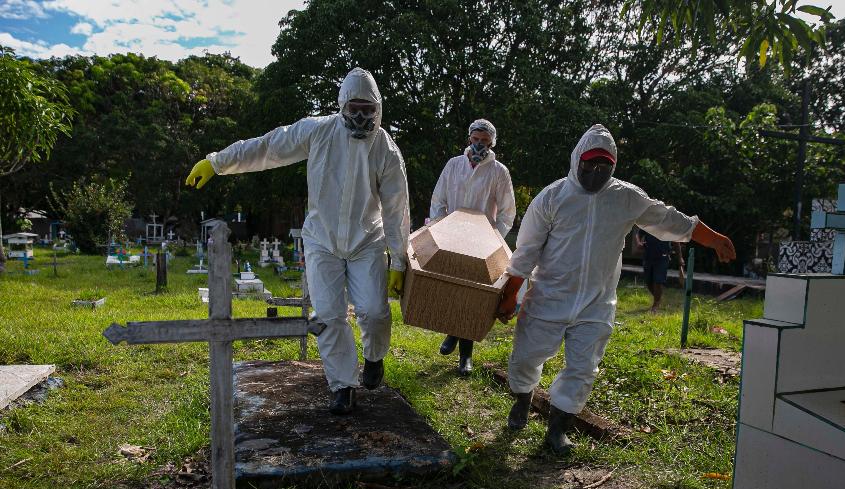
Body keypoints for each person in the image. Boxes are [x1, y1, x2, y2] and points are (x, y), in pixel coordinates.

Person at [496, 124, 735, 454]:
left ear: (614, 166)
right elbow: (526, 251)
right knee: (525, 358)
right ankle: (522, 400)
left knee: (582, 369)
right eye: (589, 163)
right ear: (576, 159)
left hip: (596, 303)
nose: (595, 171)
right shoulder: (552, 197)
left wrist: (714, 239)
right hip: (548, 296)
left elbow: (671, 221)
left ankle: (557, 429)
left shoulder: (626, 197)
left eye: (603, 166)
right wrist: (511, 293)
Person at [185, 68, 410, 416]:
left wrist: (398, 260)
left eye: (369, 110)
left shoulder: (386, 150)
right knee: (329, 315)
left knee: (375, 312)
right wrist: (218, 162)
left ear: (378, 109)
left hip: (367, 240)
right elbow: (268, 147)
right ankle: (343, 386)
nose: (362, 118)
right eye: (355, 109)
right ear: (341, 106)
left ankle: (374, 357)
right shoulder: (317, 131)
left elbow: (396, 209)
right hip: (321, 239)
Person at [429, 119, 515, 375]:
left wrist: (494, 237)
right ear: (469, 139)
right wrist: (438, 228)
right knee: (452, 290)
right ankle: (452, 333)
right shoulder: (454, 165)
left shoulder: (499, 172)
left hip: (481, 243)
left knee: (472, 297)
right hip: (451, 236)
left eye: (485, 142)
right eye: (476, 139)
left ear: (492, 143)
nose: (480, 145)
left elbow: (507, 211)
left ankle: (465, 355)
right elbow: (438, 199)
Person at [636, 229, 680, 312]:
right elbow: (638, 234)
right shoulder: (649, 221)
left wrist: (680, 258)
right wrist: (638, 242)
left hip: (662, 257)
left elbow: (676, 242)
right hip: (648, 256)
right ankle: (658, 299)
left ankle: (656, 304)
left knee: (658, 281)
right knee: (648, 281)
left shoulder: (667, 224)